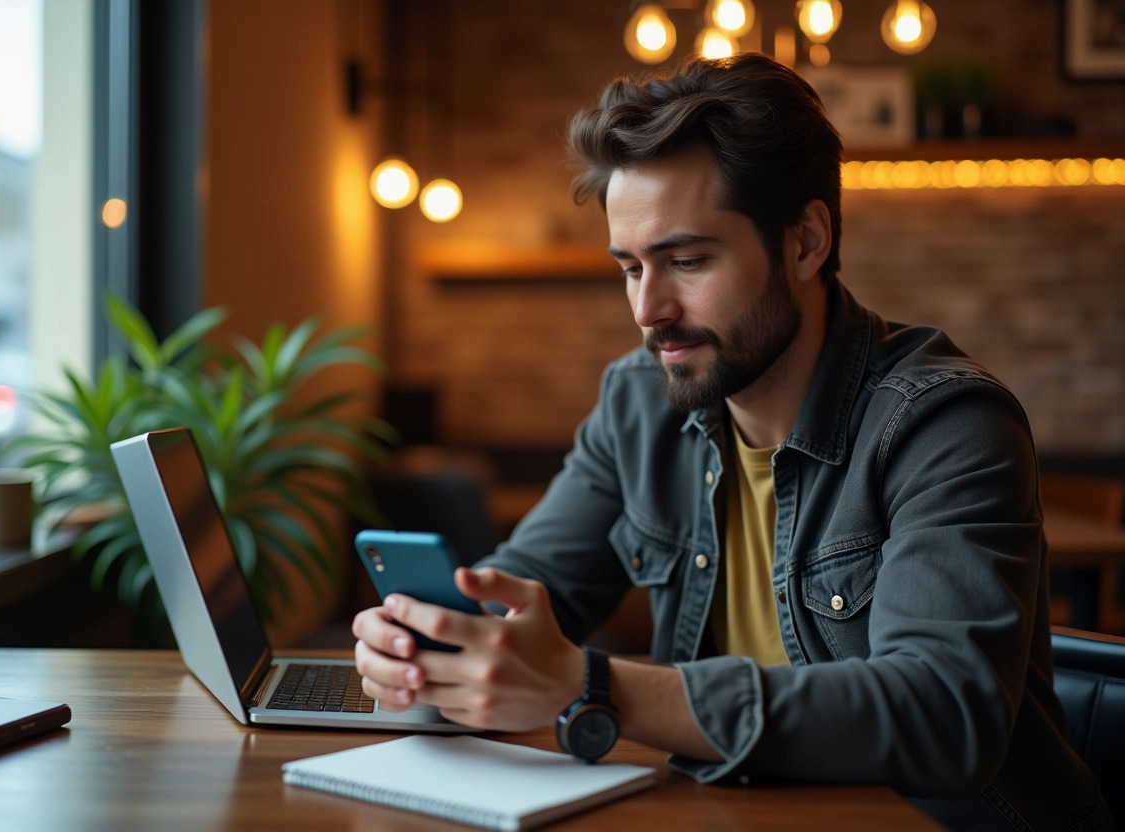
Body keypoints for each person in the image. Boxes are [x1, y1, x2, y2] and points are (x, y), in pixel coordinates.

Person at [353, 53, 1111, 830]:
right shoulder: (637, 405)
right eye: (629, 268)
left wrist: (597, 687)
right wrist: (441, 644)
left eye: (687, 261)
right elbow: (527, 590)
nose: (649, 309)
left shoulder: (945, 425)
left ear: (806, 242)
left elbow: (941, 716)